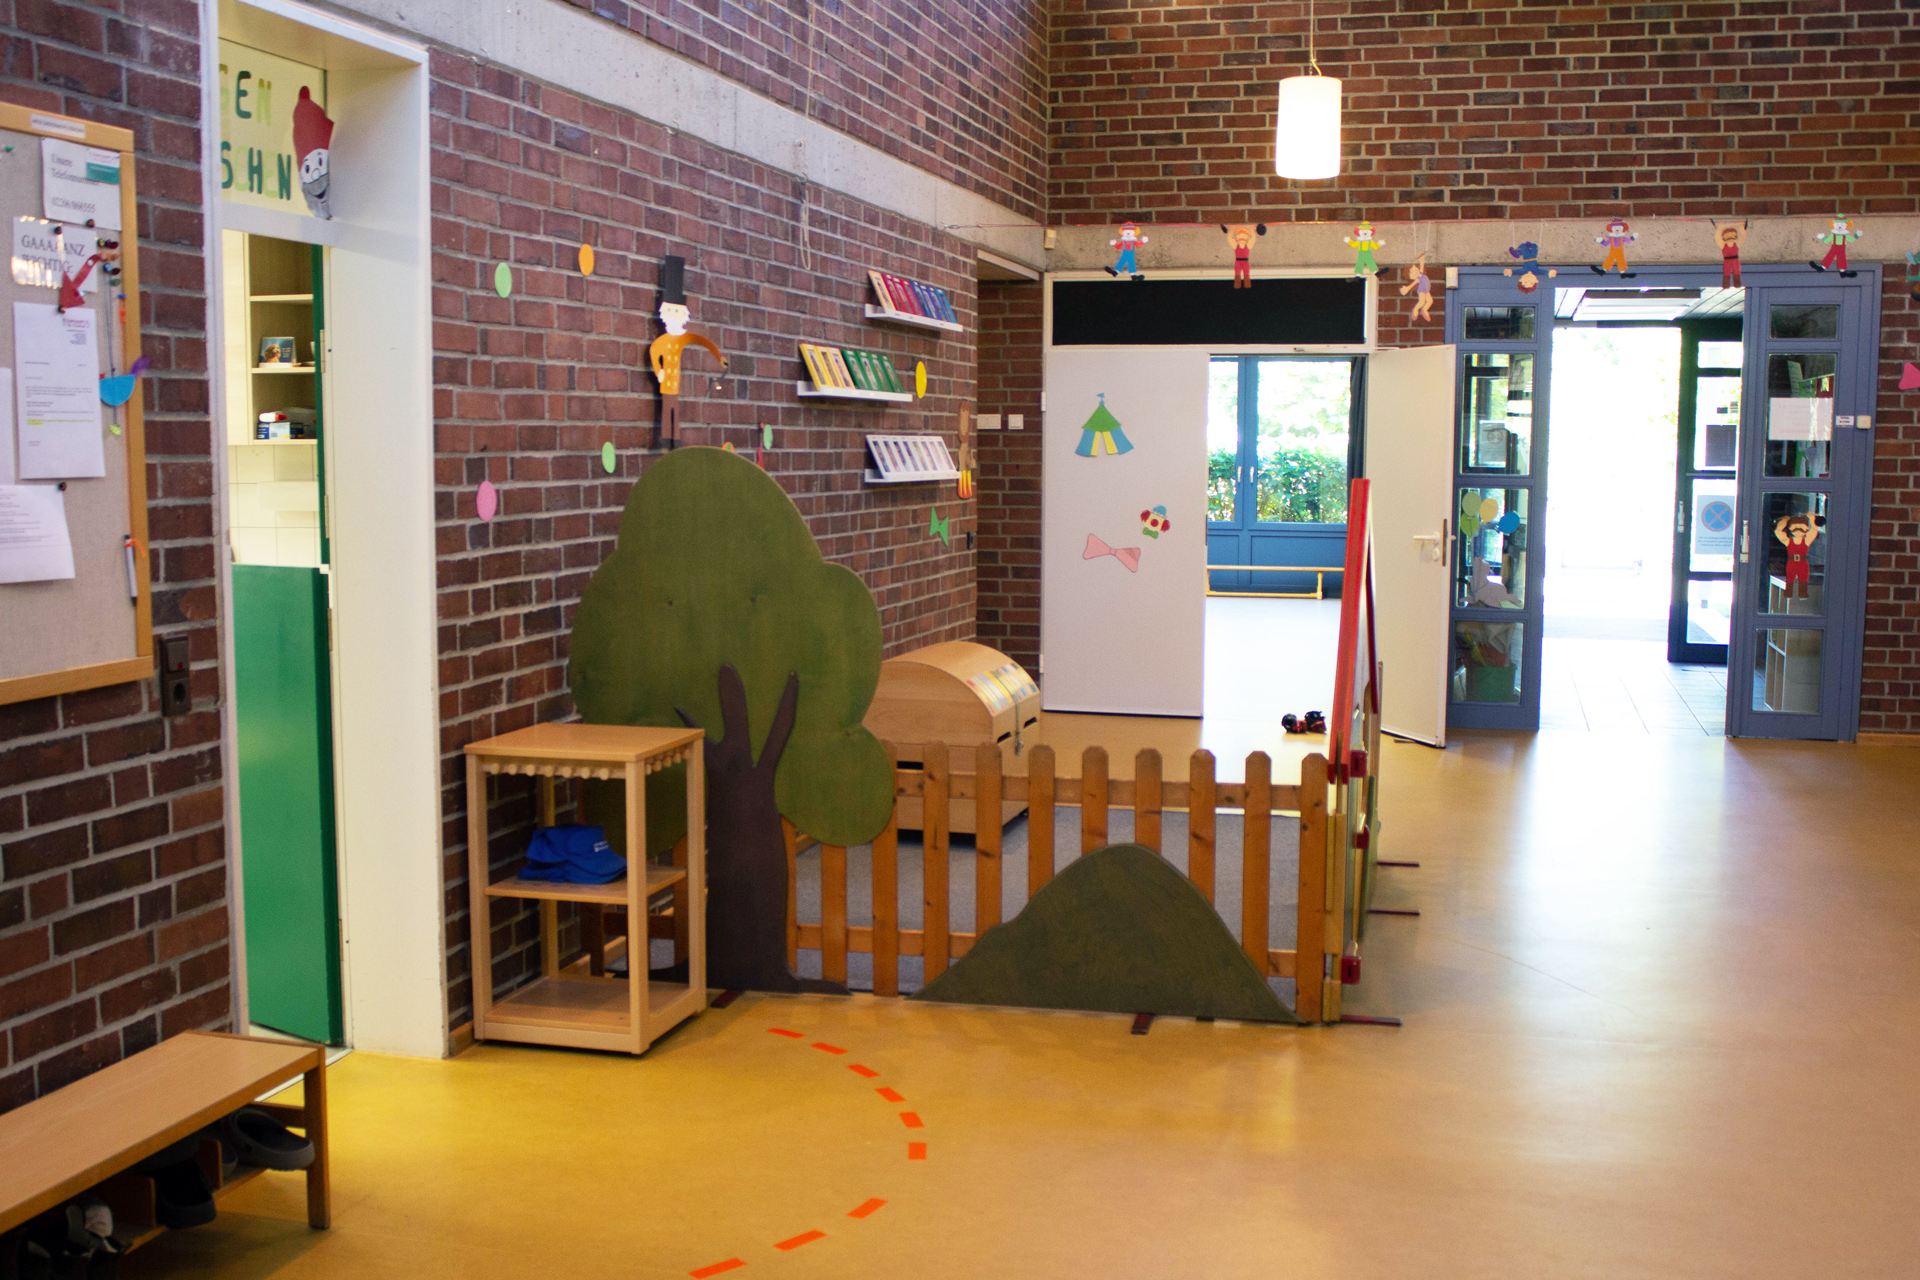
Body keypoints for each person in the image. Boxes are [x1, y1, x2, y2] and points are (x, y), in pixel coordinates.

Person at [648, 256, 727, 449]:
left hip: (674, 384)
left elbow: (701, 341)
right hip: (666, 383)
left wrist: (718, 356)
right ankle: (666, 437)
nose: (674, 317)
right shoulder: (662, 341)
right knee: (667, 410)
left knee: (674, 410)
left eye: (677, 312)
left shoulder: (682, 338)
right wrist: (659, 371)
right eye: (671, 312)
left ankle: (675, 438)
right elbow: (653, 352)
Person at [1774, 511, 1823, 600]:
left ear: (1806, 528)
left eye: (1801, 527)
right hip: (1791, 562)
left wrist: (1812, 518)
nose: (1798, 529)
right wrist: (1784, 520)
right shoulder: (1789, 542)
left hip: (1802, 562)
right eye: (1795, 527)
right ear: (1790, 528)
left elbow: (1814, 530)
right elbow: (1778, 531)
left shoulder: (1806, 541)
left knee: (1803, 578)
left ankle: (1802, 593)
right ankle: (1788, 593)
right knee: (1790, 578)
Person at [1220, 223, 1265, 289]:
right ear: (1236, 238)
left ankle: (1246, 284)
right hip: (1239, 262)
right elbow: (1230, 239)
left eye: (1244, 236)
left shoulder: (1246, 246)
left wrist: (1251, 230)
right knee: (1238, 275)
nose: (1241, 237)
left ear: (1247, 238)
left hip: (1244, 262)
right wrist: (1232, 230)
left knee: (1245, 275)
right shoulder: (1238, 246)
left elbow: (1253, 239)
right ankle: (1238, 284)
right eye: (1239, 236)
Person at [1710, 219, 1747, 288]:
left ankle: (1737, 283)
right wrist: (1719, 230)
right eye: (1727, 235)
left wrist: (1741, 229)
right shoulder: (1724, 245)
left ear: (1735, 236)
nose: (1730, 237)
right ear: (1724, 237)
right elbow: (1717, 238)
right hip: (1727, 261)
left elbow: (1743, 237)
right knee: (1726, 272)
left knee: (1737, 272)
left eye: (1732, 235)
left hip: (1735, 260)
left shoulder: (1736, 244)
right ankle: (1726, 284)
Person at [1401, 254, 1434, 321]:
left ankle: (1424, 309)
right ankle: (1415, 309)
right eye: (1412, 271)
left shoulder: (1421, 274)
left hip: (1426, 289)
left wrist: (1421, 260)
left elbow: (1422, 266)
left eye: (1414, 268)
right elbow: (1412, 284)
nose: (1415, 270)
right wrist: (1407, 288)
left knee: (1430, 300)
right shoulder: (1418, 279)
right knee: (1422, 302)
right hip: (1422, 289)